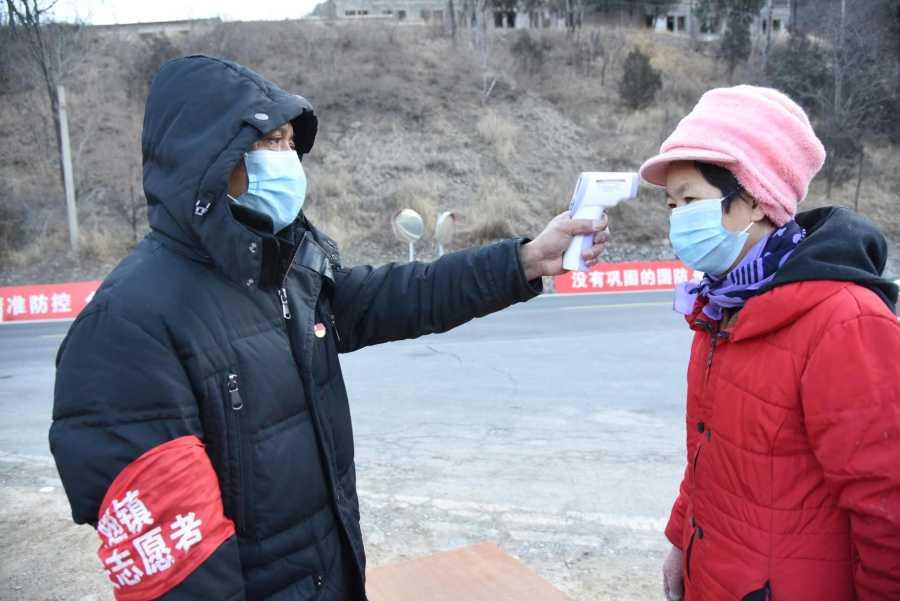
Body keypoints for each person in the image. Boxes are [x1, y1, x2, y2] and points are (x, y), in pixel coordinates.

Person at [48, 55, 609, 601]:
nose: (287, 159)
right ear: (207, 157)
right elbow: (182, 571)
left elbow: (403, 295)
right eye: (270, 142)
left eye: (291, 143)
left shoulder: (283, 272)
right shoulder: (126, 327)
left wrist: (526, 260)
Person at [638, 85, 900, 601]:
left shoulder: (846, 321)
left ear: (755, 200)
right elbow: (709, 453)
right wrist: (682, 543)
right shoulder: (720, 307)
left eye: (690, 200)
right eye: (671, 204)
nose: (676, 219)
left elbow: (888, 507)